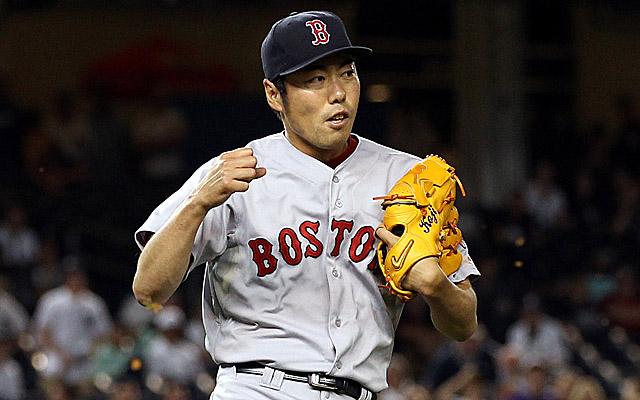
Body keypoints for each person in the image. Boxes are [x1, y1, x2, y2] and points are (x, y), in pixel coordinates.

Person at [133, 10, 479, 400]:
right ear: (273, 94)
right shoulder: (232, 172)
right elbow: (149, 291)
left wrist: (436, 287)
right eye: (316, 79)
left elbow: (464, 324)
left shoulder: (408, 176)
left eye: (347, 72)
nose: (338, 92)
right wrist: (198, 205)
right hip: (256, 388)